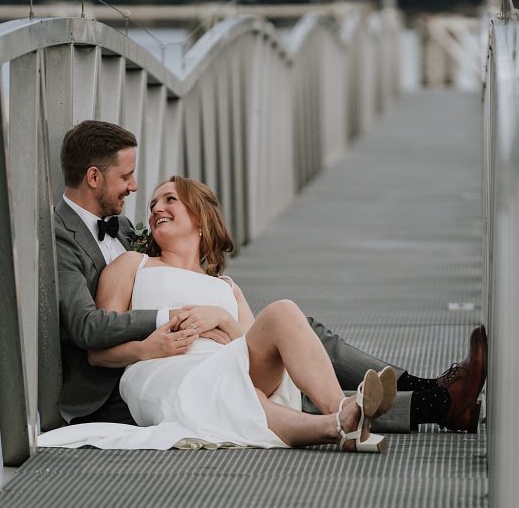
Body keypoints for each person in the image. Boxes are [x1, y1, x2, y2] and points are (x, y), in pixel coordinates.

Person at [50, 120, 486, 435]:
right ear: (93, 177)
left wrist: (217, 317)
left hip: (219, 353)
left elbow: (233, 324)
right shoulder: (67, 239)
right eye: (127, 178)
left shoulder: (125, 230)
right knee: (301, 371)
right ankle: (433, 400)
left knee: (298, 355)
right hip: (128, 383)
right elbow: (89, 329)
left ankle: (434, 401)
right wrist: (166, 325)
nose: (137, 192)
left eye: (167, 200)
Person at [42, 176, 399, 451]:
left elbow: (254, 348)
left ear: (199, 218)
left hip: (228, 361)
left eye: (170, 200)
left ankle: (339, 410)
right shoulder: (132, 265)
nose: (155, 209)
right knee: (247, 397)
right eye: (152, 204)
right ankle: (343, 421)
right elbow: (99, 353)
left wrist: (223, 319)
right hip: (165, 370)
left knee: (284, 312)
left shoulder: (225, 287)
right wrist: (152, 348)